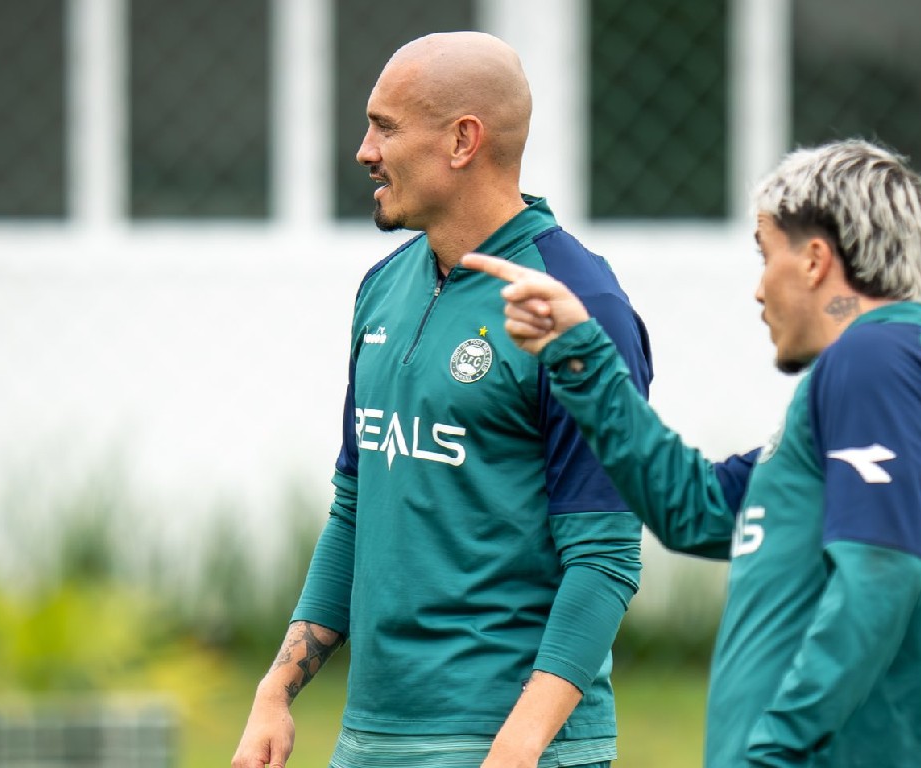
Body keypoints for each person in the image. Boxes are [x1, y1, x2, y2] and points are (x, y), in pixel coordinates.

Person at [464, 139, 921, 767]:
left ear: (816, 260)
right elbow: (700, 509)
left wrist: (773, 750)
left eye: (767, 255)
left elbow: (882, 573)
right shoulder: (918, 368)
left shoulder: (872, 364)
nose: (758, 290)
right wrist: (582, 356)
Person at [231, 31, 653, 768]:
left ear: (463, 141)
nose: (365, 150)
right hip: (371, 741)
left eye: (386, 127)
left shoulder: (578, 305)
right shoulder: (382, 288)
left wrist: (517, 748)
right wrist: (276, 691)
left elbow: (606, 559)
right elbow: (356, 507)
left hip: (508, 747)